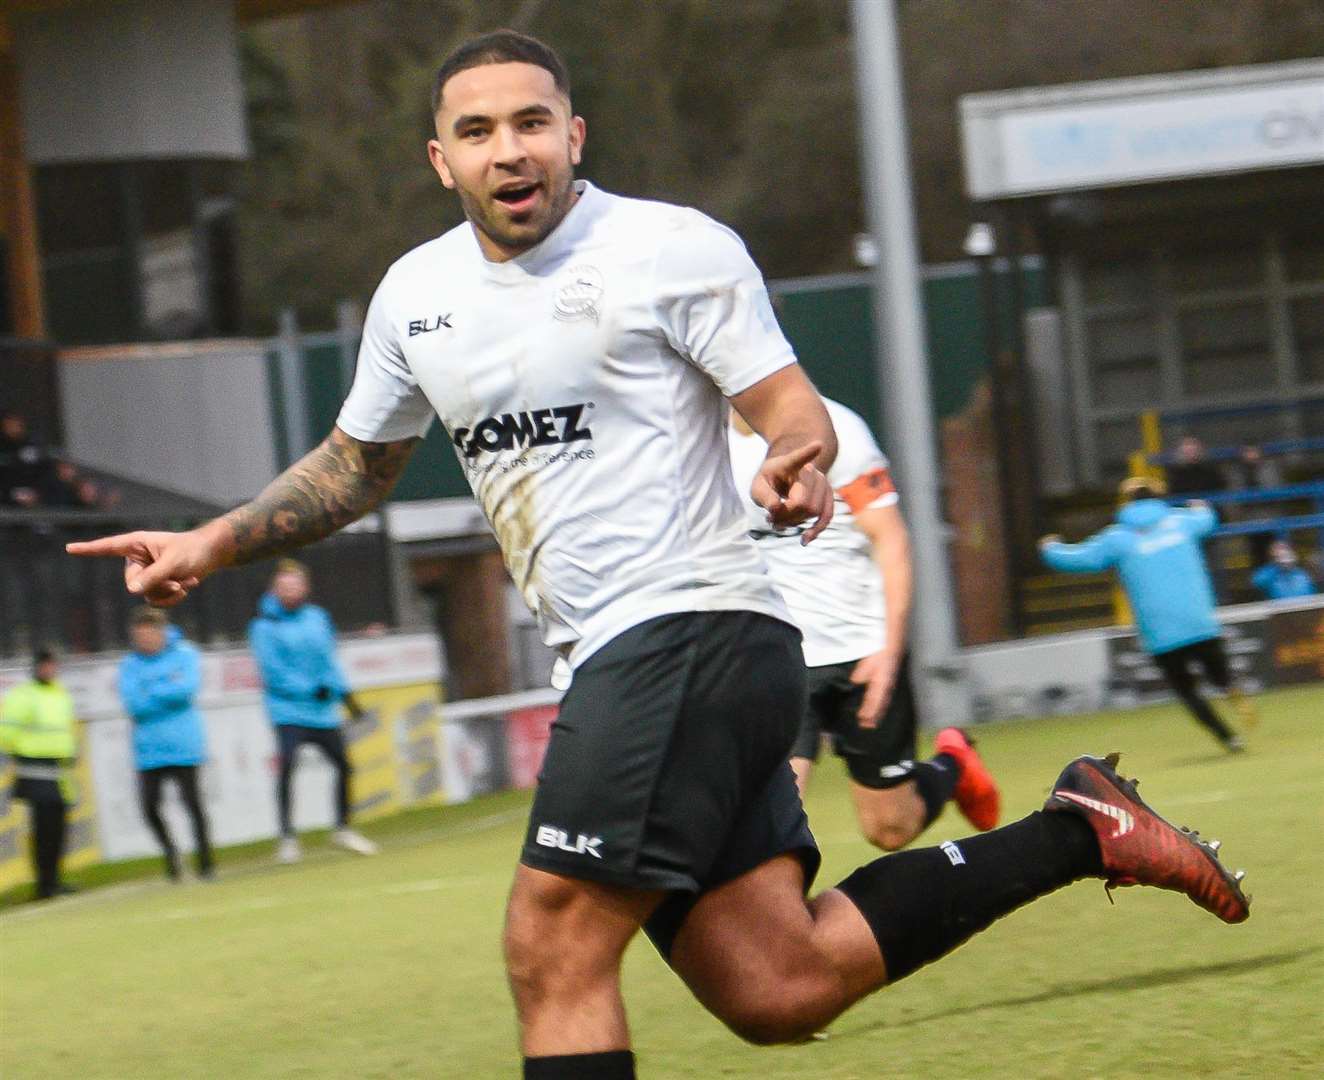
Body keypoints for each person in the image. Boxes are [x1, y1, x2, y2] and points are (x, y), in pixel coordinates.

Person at [68, 32, 1250, 1079]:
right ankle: (1077, 829)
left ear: (573, 134)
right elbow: (352, 468)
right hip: (637, 665)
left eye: (531, 122)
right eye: (476, 131)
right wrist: (212, 540)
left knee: (550, 948)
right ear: (440, 161)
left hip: (686, 626)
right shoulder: (413, 296)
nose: (508, 149)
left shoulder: (667, 247)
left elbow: (794, 407)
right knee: (776, 986)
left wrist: (795, 457)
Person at [728, 399, 998, 850]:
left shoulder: (835, 430)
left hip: (862, 651)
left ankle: (952, 763)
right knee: (768, 822)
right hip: (776, 658)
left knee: (890, 829)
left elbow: (890, 539)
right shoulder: (699, 439)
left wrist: (889, 653)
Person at [1040, 477, 1257, 752]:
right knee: (1218, 674)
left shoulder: (1117, 538)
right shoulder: (1181, 521)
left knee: (1188, 692)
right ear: (1157, 498)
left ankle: (1228, 737)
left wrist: (1050, 549)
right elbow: (1208, 519)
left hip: (1160, 633)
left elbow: (1080, 559)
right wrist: (1201, 507)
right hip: (1199, 621)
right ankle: (1230, 689)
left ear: (1126, 503)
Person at [248, 560, 376, 863]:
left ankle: (343, 828)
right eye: (284, 586)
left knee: (344, 765)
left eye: (295, 585)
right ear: (274, 590)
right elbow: (273, 671)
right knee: (288, 765)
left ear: (304, 588)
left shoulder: (318, 618)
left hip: (322, 710)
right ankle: (288, 837)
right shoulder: (264, 626)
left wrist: (346, 698)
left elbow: (328, 661)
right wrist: (308, 689)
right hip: (288, 710)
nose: (290, 591)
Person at [118, 607, 215, 881]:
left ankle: (206, 863)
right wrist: (166, 688)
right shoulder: (129, 665)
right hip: (148, 749)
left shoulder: (185, 654)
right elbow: (133, 703)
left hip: (183, 744)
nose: (144, 640)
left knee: (193, 805)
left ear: (161, 632)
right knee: (149, 807)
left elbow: (186, 691)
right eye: (139, 636)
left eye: (149, 634)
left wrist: (151, 690)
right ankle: (172, 854)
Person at [0, 648, 77, 900]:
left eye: (51, 665)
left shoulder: (60, 694)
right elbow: (6, 733)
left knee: (58, 828)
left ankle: (55, 880)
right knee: (43, 829)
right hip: (34, 769)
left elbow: (64, 730)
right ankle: (44, 884)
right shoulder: (23, 696)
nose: (48, 670)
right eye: (44, 665)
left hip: (59, 770)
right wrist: (23, 750)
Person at [1252, 539, 1319, 600]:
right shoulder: (1270, 574)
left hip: (1304, 610)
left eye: (1287, 554)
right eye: (1279, 556)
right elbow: (1256, 582)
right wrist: (1275, 566)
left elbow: (1312, 593)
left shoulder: (1302, 574)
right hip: (1280, 611)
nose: (1284, 559)